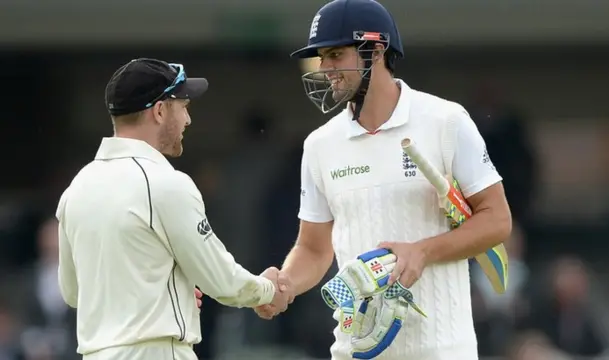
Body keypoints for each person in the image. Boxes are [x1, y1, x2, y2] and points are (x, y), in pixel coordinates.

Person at [254, 1, 512, 359]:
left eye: (334, 54)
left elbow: (497, 220)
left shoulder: (446, 121)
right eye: (321, 57)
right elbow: (313, 248)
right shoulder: (319, 145)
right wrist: (284, 283)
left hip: (441, 349)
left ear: (374, 50)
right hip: (355, 350)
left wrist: (422, 251)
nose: (324, 68)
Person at [56, 58, 292, 360]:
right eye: (183, 106)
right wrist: (268, 290)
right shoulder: (166, 183)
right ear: (159, 110)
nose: (188, 120)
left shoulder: (76, 188)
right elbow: (220, 279)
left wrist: (166, 294)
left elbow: (74, 293)